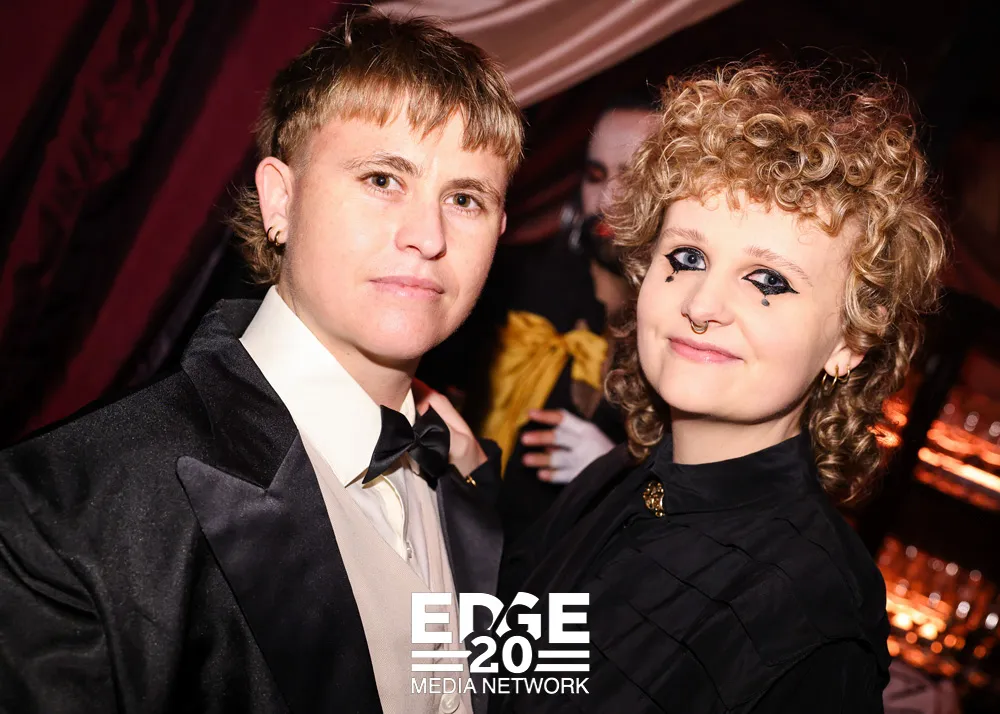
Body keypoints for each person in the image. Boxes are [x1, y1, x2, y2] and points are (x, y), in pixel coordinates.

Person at [0, 13, 523, 714]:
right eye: (381, 179)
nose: (427, 236)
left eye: (464, 199)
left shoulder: (461, 476)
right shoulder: (62, 507)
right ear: (281, 198)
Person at [499, 62, 947, 712]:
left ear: (850, 341)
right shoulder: (621, 480)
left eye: (769, 281)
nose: (703, 303)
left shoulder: (811, 611)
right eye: (688, 258)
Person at [478, 97, 657, 544]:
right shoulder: (513, 282)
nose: (608, 199)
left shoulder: (683, 323)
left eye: (633, 177)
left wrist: (618, 471)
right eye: (596, 175)